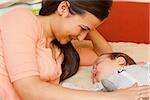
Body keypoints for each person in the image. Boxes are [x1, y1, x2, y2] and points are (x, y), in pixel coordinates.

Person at [0, 0, 150, 100]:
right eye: (83, 28)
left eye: (87, 31)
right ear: (63, 8)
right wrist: (113, 97)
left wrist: (89, 27)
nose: (81, 38)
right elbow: (29, 89)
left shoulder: (61, 51)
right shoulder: (21, 20)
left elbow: (105, 55)